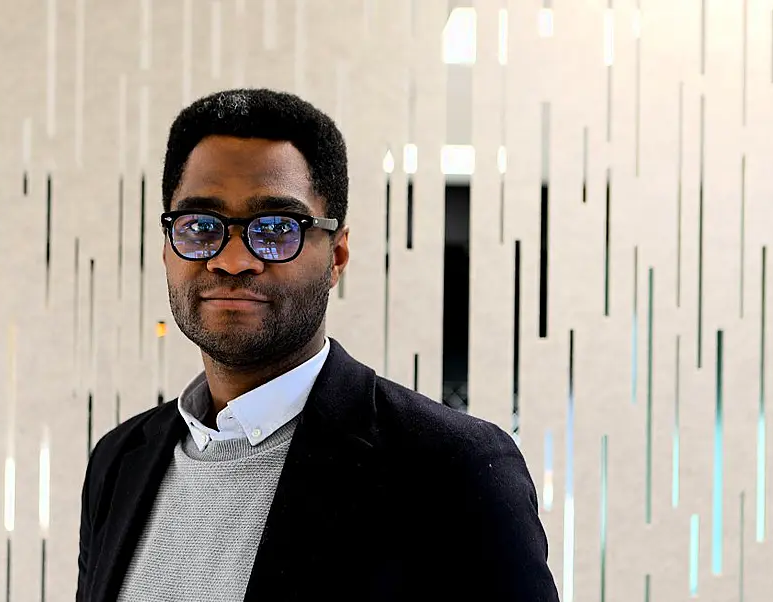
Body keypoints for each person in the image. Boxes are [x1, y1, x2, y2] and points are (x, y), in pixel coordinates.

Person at [75, 88, 558, 602]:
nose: (233, 259)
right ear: (169, 246)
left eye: (278, 228)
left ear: (338, 256)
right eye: (200, 226)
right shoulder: (119, 461)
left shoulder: (451, 470)